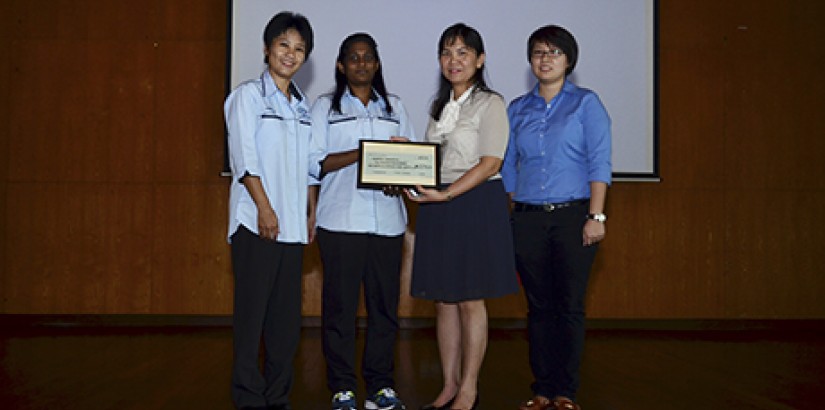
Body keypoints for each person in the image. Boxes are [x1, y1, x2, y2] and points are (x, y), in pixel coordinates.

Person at [406, 23, 519, 410]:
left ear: (480, 59)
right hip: (439, 206)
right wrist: (407, 159)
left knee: (471, 299)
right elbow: (431, 162)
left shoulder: (491, 103)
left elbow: (490, 163)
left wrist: (446, 194)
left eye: (463, 53)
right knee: (443, 300)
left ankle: (469, 387)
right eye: (447, 53)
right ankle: (448, 385)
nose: (454, 61)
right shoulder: (439, 108)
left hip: (474, 203)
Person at [501, 25, 612, 410]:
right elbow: (509, 166)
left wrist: (596, 215)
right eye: (538, 52)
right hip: (528, 220)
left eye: (554, 52)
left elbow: (600, 161)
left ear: (569, 60)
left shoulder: (586, 103)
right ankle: (542, 389)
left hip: (574, 218)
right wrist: (516, 209)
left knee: (569, 306)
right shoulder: (517, 108)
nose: (545, 59)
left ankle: (566, 391)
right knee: (538, 307)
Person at [308, 33, 416, 410]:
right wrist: (365, 155)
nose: (361, 63)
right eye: (353, 57)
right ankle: (342, 388)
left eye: (368, 57)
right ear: (341, 65)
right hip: (339, 222)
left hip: (388, 223)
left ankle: (381, 387)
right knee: (339, 310)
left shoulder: (396, 107)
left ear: (377, 64)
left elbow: (414, 164)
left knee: (384, 310)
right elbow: (315, 163)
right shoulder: (325, 107)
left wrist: (399, 173)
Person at [223, 11, 316, 410]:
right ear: (266, 48)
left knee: (284, 324)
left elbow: (311, 165)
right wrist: (264, 208)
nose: (290, 55)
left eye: (299, 49)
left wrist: (310, 212)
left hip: (293, 228)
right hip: (256, 224)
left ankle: (278, 397)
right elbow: (245, 159)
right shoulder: (247, 97)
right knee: (252, 318)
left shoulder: (302, 105)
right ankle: (248, 398)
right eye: (283, 45)